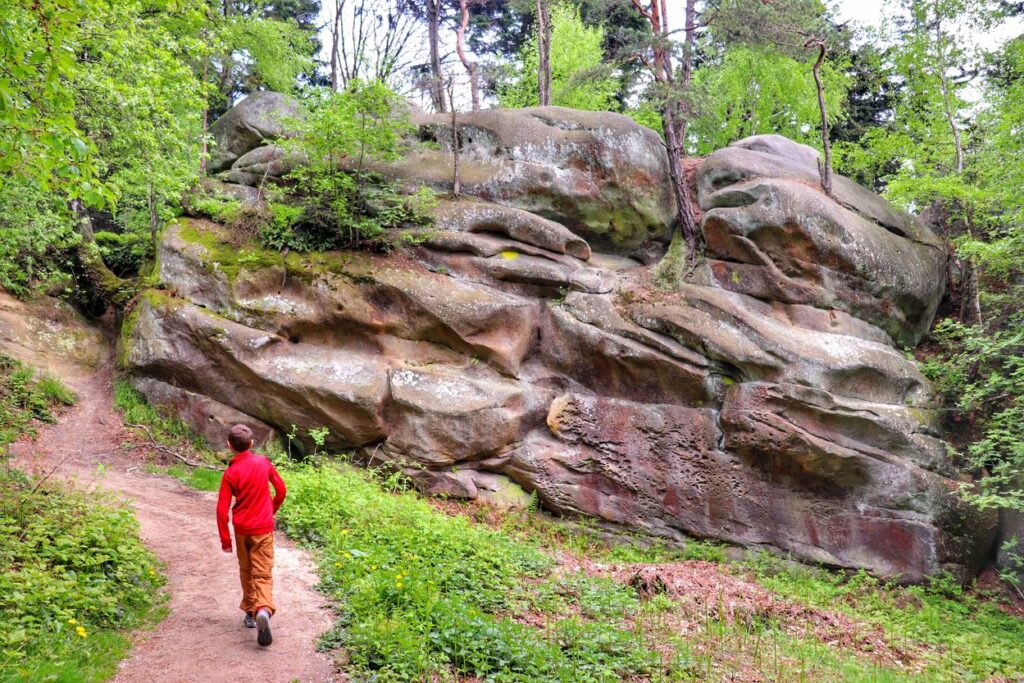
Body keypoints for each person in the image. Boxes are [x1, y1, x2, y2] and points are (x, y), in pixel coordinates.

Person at [216, 423, 287, 647]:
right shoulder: (263, 463)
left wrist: (225, 540)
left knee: (246, 570)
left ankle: (250, 612)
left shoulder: (230, 473)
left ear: (229, 446)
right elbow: (281, 490)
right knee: (262, 573)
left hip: (241, 529)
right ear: (252, 444)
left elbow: (221, 510)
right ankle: (263, 609)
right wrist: (271, 509)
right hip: (263, 528)